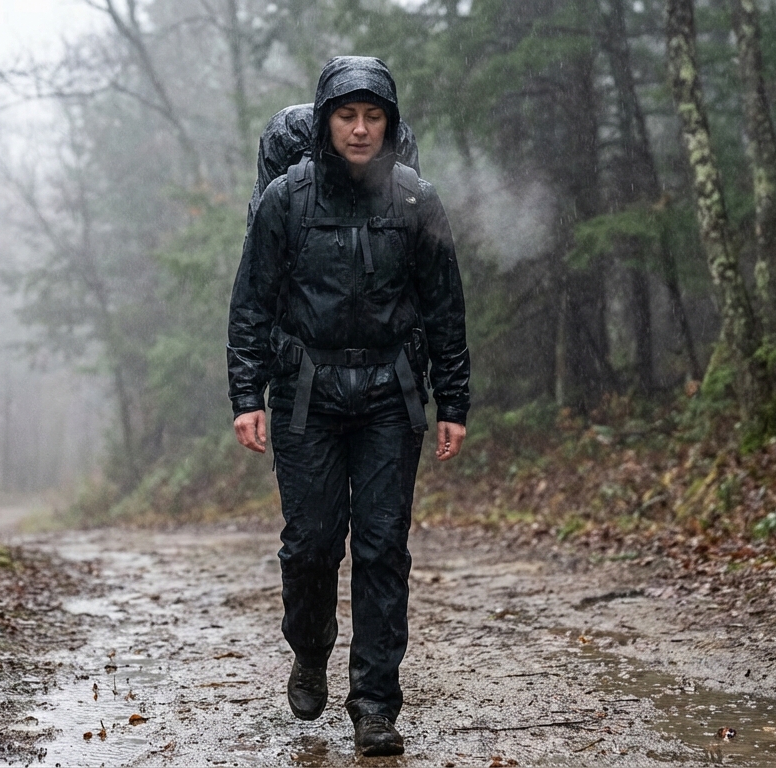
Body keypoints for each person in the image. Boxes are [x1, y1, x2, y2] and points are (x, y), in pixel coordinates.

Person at [226, 56, 470, 757]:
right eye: (346, 115)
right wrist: (248, 395)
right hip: (307, 396)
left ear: (389, 124)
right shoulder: (285, 201)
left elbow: (445, 308)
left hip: (393, 396)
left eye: (373, 117)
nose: (360, 129)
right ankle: (309, 648)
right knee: (310, 547)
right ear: (325, 121)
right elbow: (251, 304)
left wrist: (452, 399)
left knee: (382, 548)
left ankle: (374, 704)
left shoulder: (417, 200)